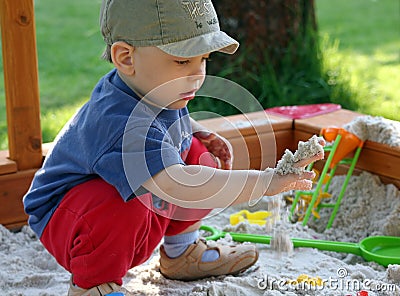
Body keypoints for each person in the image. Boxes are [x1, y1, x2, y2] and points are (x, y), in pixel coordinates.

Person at [23, 0, 323, 295]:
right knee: (125, 201)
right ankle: (94, 285)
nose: (198, 75)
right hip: (68, 221)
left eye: (203, 59)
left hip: (129, 209)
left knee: (195, 152)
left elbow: (163, 124)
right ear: (126, 58)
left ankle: (182, 252)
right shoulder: (121, 124)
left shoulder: (151, 84)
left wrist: (194, 128)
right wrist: (265, 182)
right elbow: (178, 184)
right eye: (182, 61)